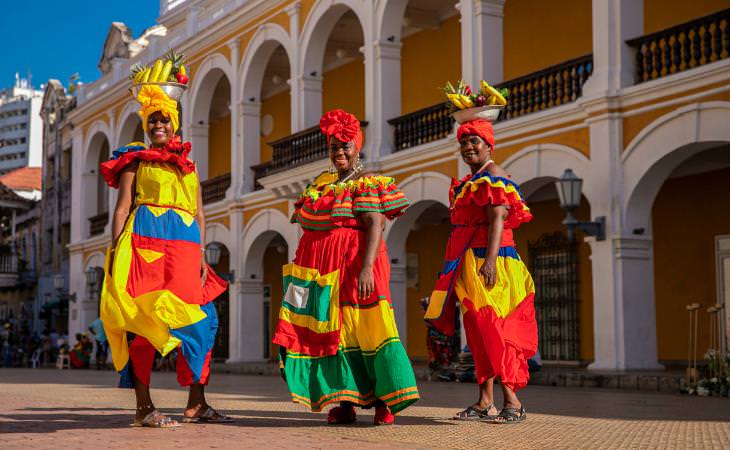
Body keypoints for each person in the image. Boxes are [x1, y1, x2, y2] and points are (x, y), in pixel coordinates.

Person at [273, 109, 419, 425]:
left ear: (357, 147)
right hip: (320, 274)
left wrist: (366, 269)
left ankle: (384, 402)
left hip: (356, 267)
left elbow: (375, 224)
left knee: (367, 329)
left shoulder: (366, 182)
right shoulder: (321, 185)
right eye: (334, 147)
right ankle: (345, 401)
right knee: (333, 334)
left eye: (346, 146)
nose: (340, 152)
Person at [99, 75, 229, 428]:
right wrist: (114, 252)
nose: (159, 124)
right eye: (153, 119)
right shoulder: (135, 161)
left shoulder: (189, 166)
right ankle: (144, 406)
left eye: (164, 119)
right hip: (145, 244)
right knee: (143, 324)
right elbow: (123, 208)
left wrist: (202, 254)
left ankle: (196, 403)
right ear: (147, 125)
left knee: (199, 324)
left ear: (175, 125)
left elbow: (199, 212)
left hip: (186, 249)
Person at [425, 118, 537, 424]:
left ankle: (513, 402)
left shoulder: (494, 175)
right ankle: (485, 401)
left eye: (475, 141)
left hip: (494, 260)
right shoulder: (469, 181)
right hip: (469, 263)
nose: (468, 147)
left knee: (496, 331)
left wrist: (489, 262)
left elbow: (498, 219)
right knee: (476, 333)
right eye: (464, 142)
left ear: (489, 145)